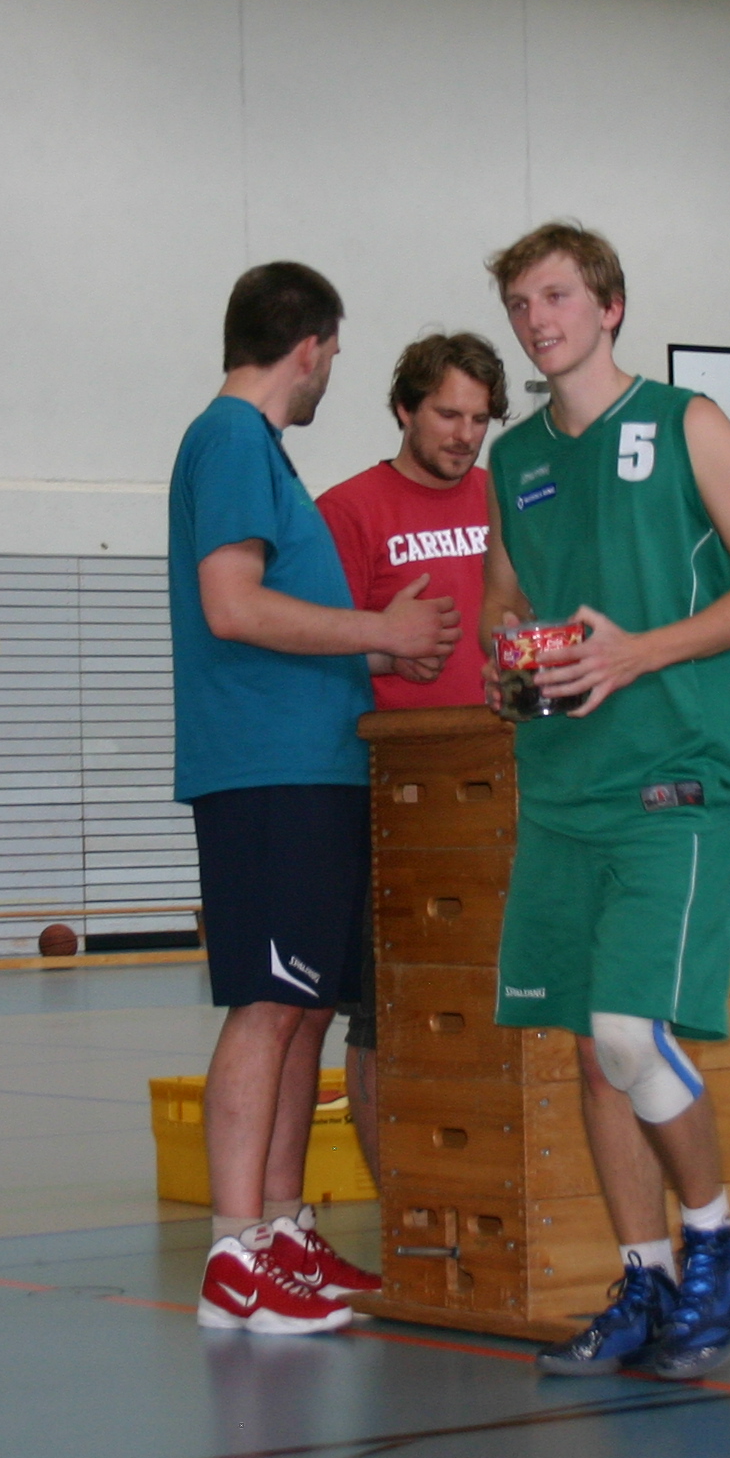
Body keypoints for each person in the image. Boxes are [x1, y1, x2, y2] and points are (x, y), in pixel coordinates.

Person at [477, 222, 730, 1381]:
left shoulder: (685, 422)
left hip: (676, 770)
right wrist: (506, 653)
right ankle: (645, 1275)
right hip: (563, 780)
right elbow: (503, 596)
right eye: (521, 303)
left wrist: (638, 651)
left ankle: (717, 1237)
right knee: (592, 1050)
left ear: (610, 304)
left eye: (557, 294)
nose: (538, 318)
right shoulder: (516, 457)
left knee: (629, 1031)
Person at [169, 262, 460, 1334]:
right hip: (266, 768)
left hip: (313, 762)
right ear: (311, 346)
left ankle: (281, 1227)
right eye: (332, 353)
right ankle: (233, 1251)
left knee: (301, 1010)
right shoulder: (230, 440)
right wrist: (380, 627)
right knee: (267, 1002)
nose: (330, 369)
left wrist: (378, 648)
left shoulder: (259, 449)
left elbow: (267, 610)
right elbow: (232, 604)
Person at [316, 330, 511, 1182]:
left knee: (489, 1001)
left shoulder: (506, 500)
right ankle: (402, 1209)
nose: (465, 435)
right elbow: (306, 649)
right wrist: (385, 651)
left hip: (500, 781)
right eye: (447, 415)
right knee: (383, 1012)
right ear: (404, 408)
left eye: (479, 419)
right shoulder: (348, 511)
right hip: (393, 793)